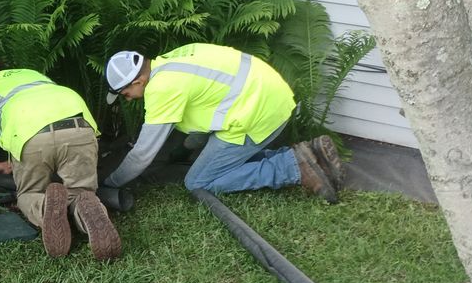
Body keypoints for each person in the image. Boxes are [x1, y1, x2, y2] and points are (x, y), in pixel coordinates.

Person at [100, 44, 343, 201]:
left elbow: (142, 154)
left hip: (254, 114)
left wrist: (109, 183)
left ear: (139, 81)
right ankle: (309, 153)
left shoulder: (161, 89)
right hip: (270, 96)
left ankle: (292, 167)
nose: (127, 99)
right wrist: (183, 150)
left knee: (198, 181)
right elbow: (206, 111)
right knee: (212, 162)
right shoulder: (172, 59)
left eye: (124, 93)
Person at [0, 60, 121, 260]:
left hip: (31, 138)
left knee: (29, 193)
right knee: (82, 192)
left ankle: (44, 208)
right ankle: (87, 207)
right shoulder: (31, 75)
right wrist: (12, 163)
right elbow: (46, 116)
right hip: (80, 127)